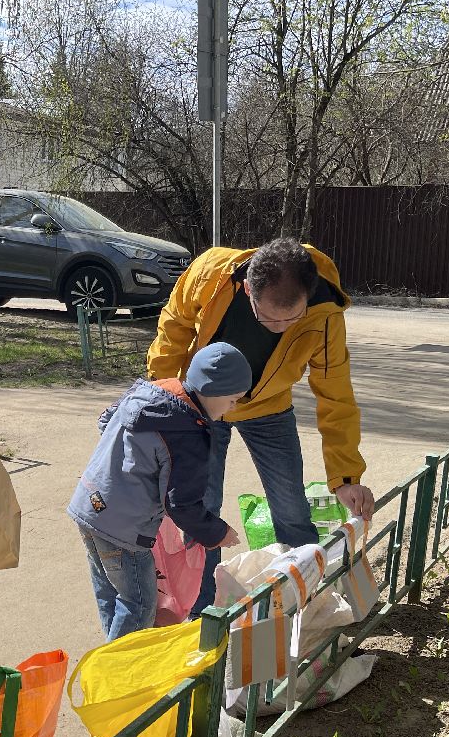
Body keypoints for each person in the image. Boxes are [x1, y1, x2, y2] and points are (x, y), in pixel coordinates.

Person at [146, 236, 375, 614]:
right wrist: (167, 401)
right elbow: (173, 329)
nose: (281, 328)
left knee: (292, 510)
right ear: (248, 288)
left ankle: (306, 606)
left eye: (292, 317)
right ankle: (203, 614)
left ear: (309, 294)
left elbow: (335, 394)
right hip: (202, 406)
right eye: (269, 317)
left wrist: (347, 476)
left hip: (269, 409)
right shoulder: (211, 274)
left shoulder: (326, 315)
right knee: (200, 510)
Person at [68, 343, 251, 640]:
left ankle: (108, 659)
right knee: (139, 603)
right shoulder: (190, 432)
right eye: (232, 400)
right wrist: (218, 533)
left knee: (110, 590)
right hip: (125, 528)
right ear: (213, 391)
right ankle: (122, 674)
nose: (232, 409)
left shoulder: (157, 390)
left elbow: (106, 420)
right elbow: (183, 504)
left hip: (89, 504)